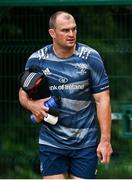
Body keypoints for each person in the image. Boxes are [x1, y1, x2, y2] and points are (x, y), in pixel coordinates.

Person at [19, 11, 113, 179]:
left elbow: (102, 99)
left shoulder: (91, 58)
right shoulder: (37, 59)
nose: (71, 34)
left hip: (85, 142)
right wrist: (31, 105)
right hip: (51, 142)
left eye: (74, 29)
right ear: (52, 33)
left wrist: (105, 140)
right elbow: (23, 92)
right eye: (65, 30)